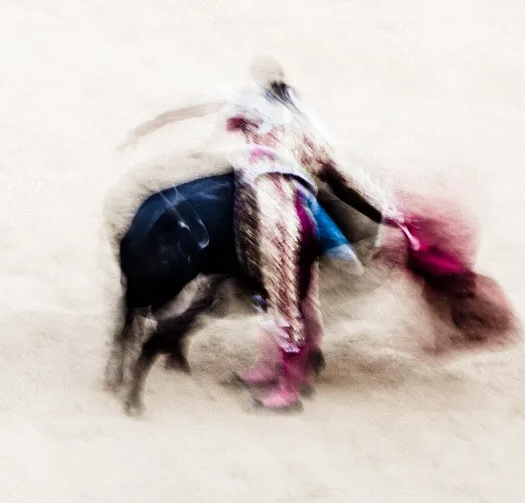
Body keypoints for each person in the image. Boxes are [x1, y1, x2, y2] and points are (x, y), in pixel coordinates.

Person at [125, 56, 405, 410]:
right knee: (298, 300)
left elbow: (190, 111)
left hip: (273, 217)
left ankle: (288, 391)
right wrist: (386, 214)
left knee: (283, 301)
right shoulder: (300, 129)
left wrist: (145, 128)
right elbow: (341, 177)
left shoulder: (252, 118)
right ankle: (279, 368)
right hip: (298, 211)